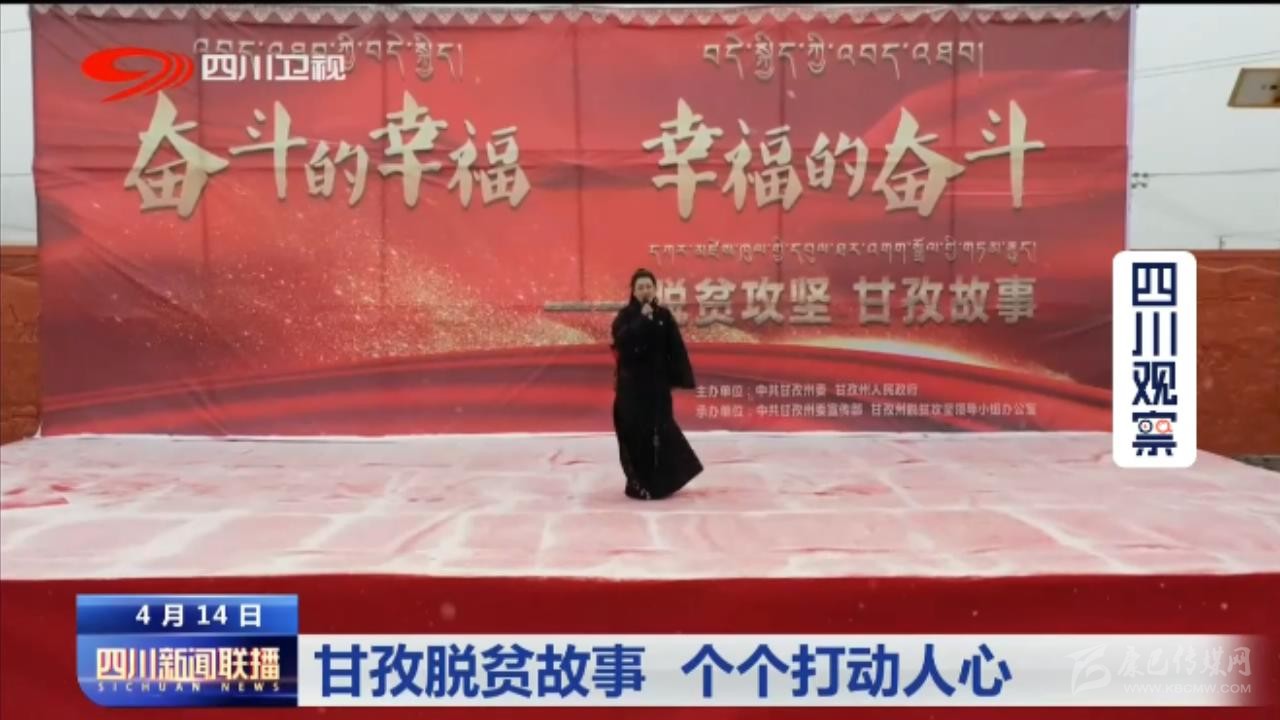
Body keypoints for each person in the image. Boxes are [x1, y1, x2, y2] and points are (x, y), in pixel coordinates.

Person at [610, 268, 704, 500]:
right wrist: (641, 319)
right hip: (631, 388)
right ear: (633, 291)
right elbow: (621, 341)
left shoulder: (663, 316)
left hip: (657, 387)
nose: (645, 291)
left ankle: (660, 484)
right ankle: (638, 483)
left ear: (655, 289)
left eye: (649, 286)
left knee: (661, 432)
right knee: (635, 433)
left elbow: (676, 348)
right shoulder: (625, 316)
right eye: (640, 287)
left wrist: (679, 378)